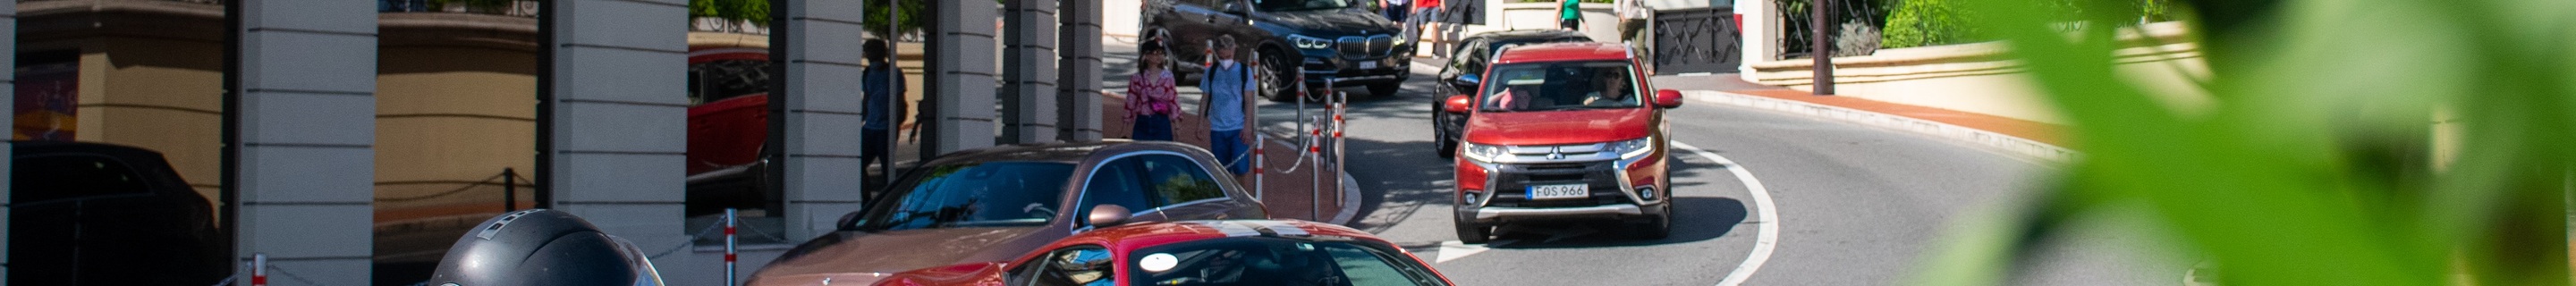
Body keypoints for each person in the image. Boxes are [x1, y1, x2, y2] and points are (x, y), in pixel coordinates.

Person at [1198, 36, 1256, 177]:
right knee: (1221, 171)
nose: (1225, 61)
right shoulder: (1211, 72)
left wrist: (1248, 126)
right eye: (1222, 57)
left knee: (1241, 169)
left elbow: (1249, 100)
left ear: (1234, 50)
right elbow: (1204, 99)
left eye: (1228, 56)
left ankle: (1240, 197)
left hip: (1238, 127)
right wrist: (1200, 124)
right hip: (1217, 128)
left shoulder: (1244, 71)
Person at [861, 38, 905, 190]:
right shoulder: (867, 72)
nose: (867, 53)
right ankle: (866, 198)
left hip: (885, 127)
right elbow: (867, 97)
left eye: (869, 49)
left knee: (888, 169)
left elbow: (900, 99)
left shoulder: (894, 73)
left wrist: (896, 124)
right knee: (859, 163)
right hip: (870, 127)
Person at [1125, 38, 1181, 141]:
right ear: (1146, 56)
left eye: (1161, 53)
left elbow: (1173, 100)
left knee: (1162, 153)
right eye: (1155, 53)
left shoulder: (1168, 77)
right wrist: (1125, 128)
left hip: (1162, 122)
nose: (1159, 56)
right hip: (1142, 122)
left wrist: (1176, 125)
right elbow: (1130, 103)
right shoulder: (1137, 78)